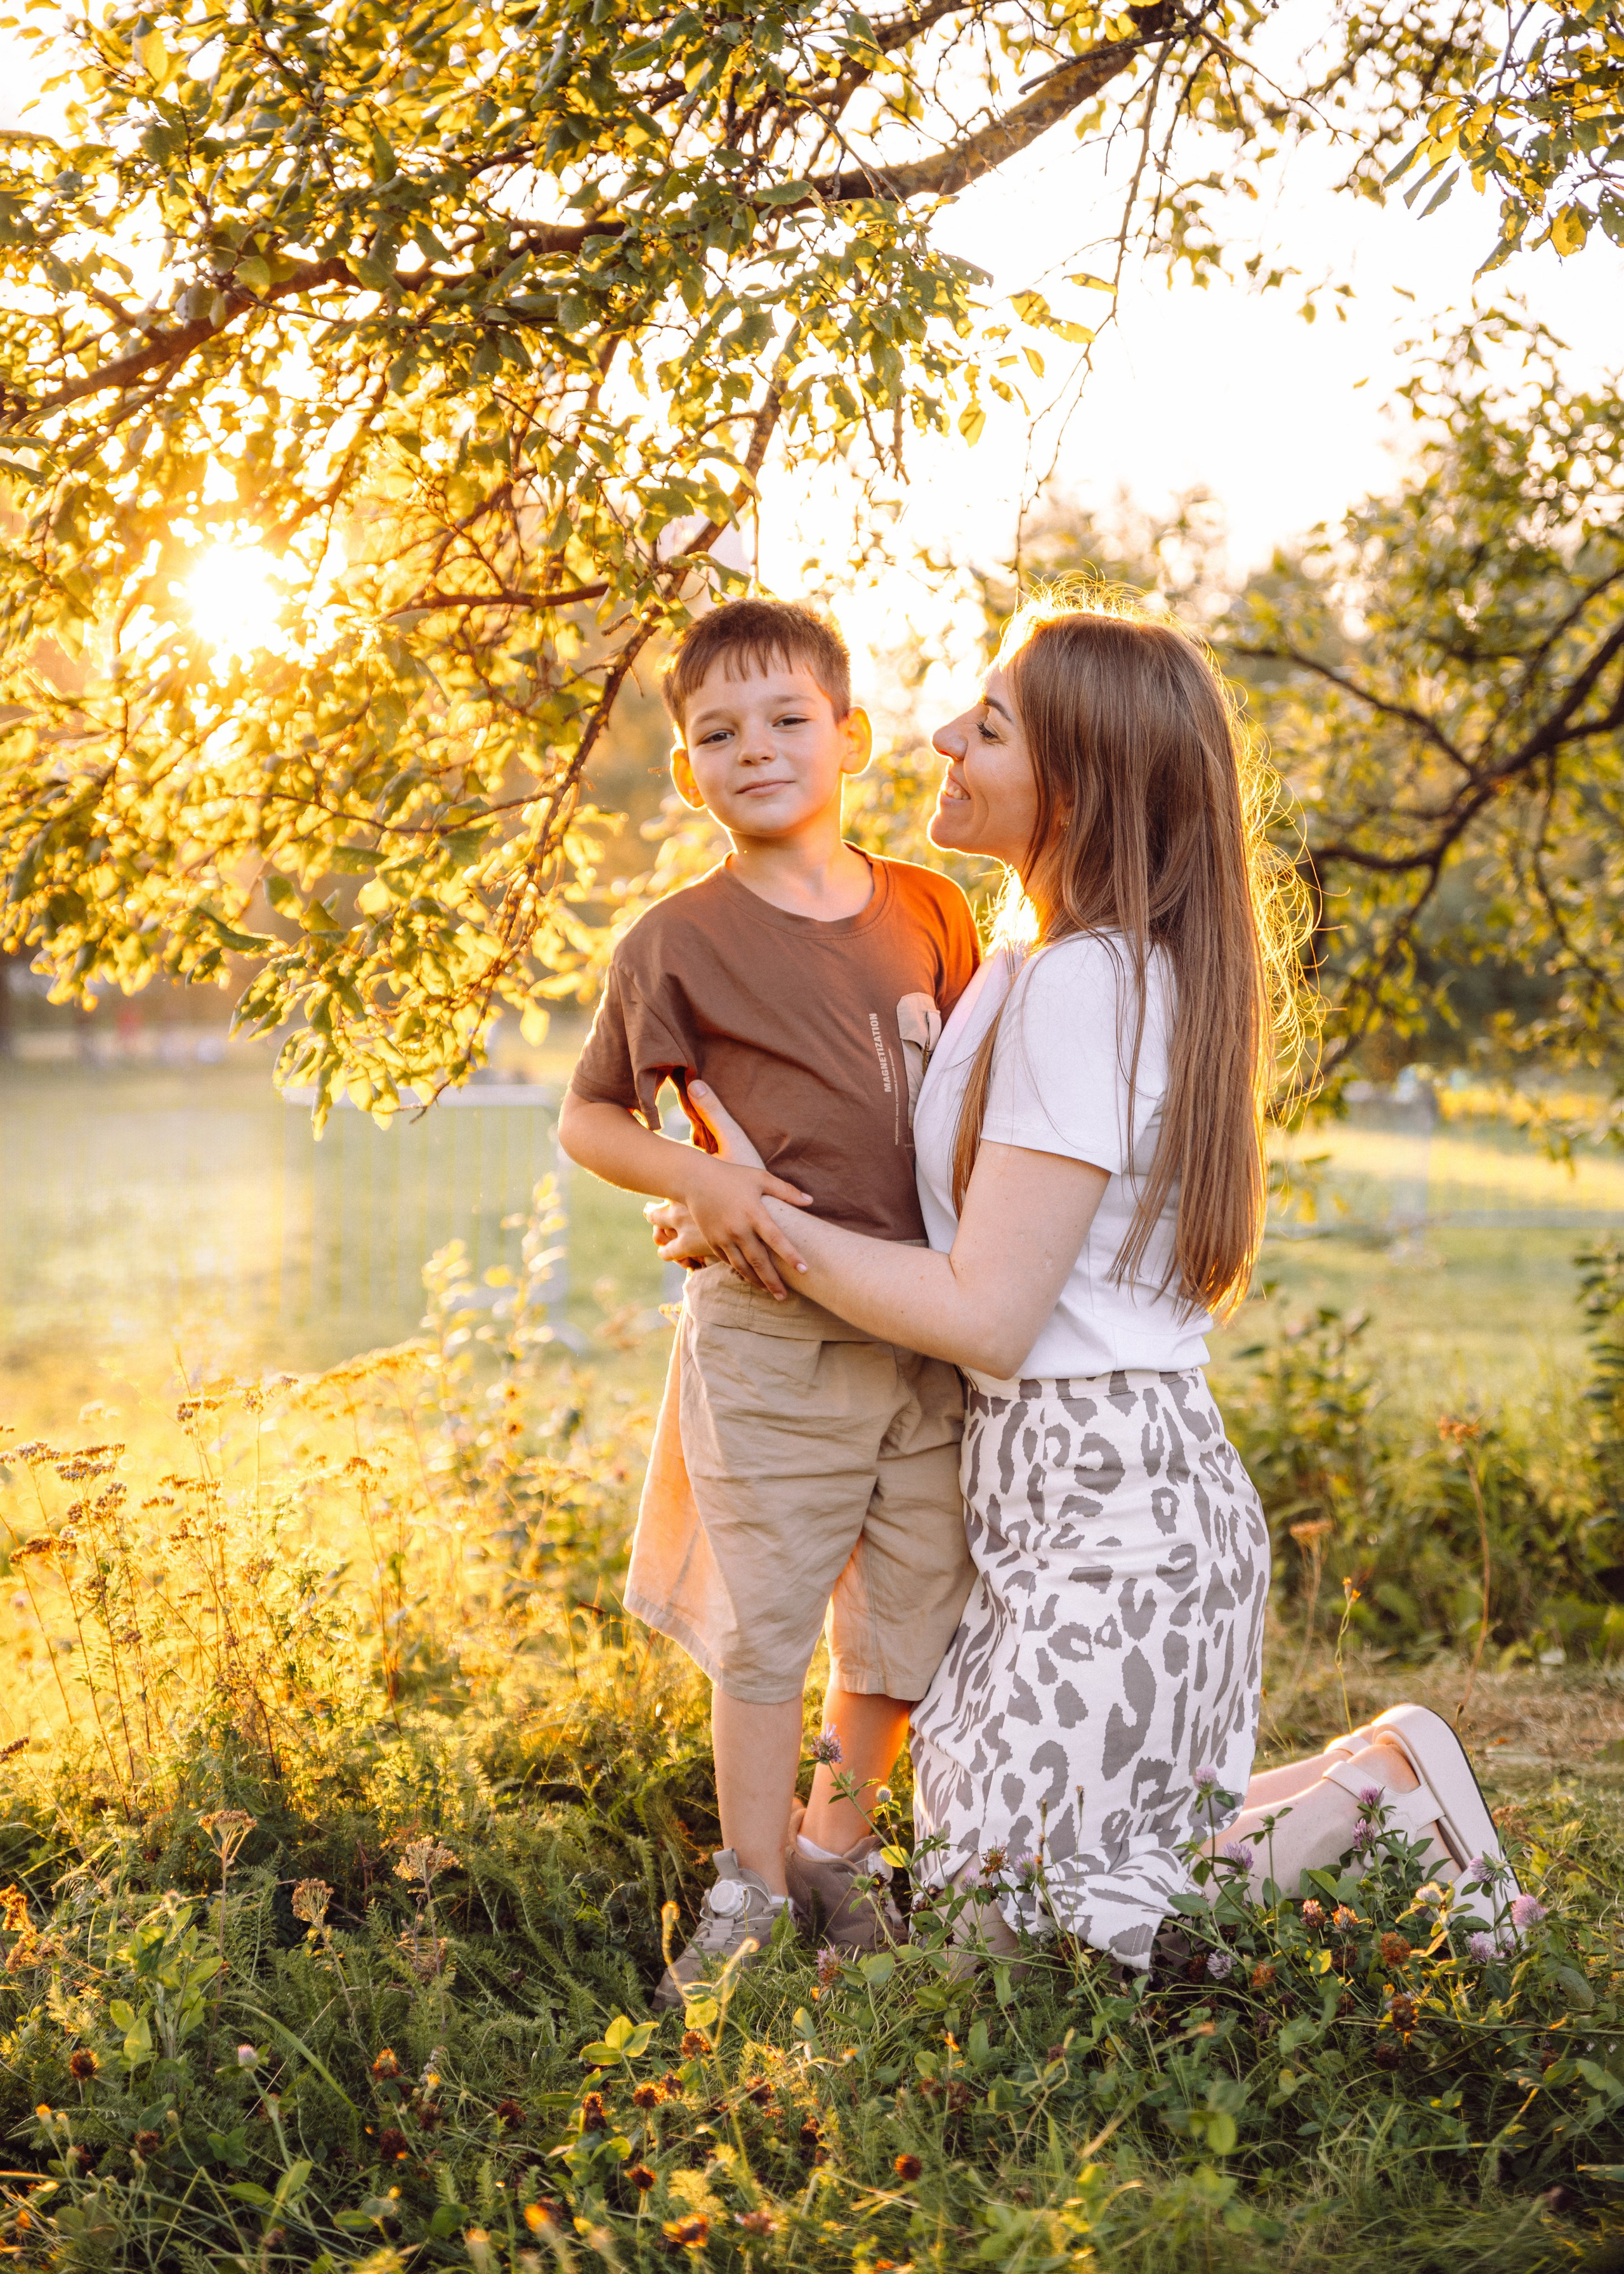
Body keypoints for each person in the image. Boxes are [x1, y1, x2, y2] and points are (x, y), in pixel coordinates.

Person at [652, 588, 1516, 1972]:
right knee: (1016, 1880)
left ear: (1078, 782)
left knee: (1015, 1928)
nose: (939, 734)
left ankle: (1381, 1798)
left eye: (985, 726)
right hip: (1059, 1495)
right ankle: (1375, 1772)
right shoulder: (1028, 961)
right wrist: (723, 1191)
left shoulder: (1086, 987)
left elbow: (984, 1310)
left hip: (1111, 1512)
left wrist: (764, 1227)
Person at [557, 597, 981, 2008]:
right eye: (717, 734)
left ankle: (833, 1854)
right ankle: (744, 1882)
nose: (756, 749)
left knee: (908, 1617)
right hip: (773, 1337)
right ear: (686, 773)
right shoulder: (673, 940)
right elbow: (589, 1120)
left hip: (925, 1323)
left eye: (788, 718)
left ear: (850, 737)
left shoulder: (933, 908)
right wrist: (705, 1186)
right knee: (767, 1621)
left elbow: (979, 1091)